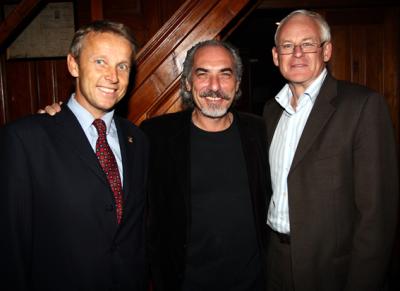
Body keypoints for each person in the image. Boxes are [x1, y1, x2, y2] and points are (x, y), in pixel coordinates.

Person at [0, 20, 149, 290]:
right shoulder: (26, 140)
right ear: (73, 65)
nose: (113, 77)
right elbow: (10, 246)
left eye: (122, 66)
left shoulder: (137, 140)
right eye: (100, 61)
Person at [263, 9, 398, 291]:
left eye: (308, 44)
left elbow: (376, 216)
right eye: (287, 46)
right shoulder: (270, 112)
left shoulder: (362, 106)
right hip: (275, 261)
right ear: (276, 57)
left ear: (326, 51)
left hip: (332, 271)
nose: (297, 53)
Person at [140, 40, 270, 290]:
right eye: (203, 74)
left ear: (237, 84)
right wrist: (61, 120)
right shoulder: (156, 136)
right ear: (188, 83)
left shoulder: (259, 131)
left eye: (225, 74)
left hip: (253, 283)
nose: (214, 87)